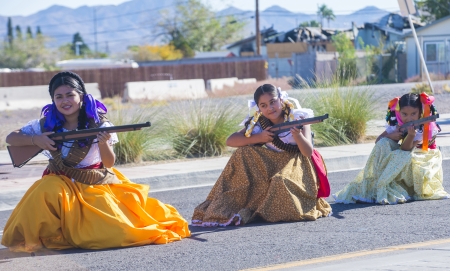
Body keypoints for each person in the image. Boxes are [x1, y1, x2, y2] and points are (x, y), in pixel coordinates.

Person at [1, 71, 190, 252]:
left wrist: (104, 143)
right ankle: (42, 237)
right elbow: (11, 138)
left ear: (81, 97)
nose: (65, 101)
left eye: (70, 95)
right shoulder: (44, 124)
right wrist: (36, 140)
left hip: (92, 183)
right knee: (46, 188)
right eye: (59, 97)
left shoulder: (100, 124)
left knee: (119, 233)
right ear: (53, 100)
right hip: (59, 183)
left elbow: (109, 164)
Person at [191, 84, 332, 227]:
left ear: (281, 100)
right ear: (259, 108)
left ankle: (274, 209)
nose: (270, 108)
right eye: (263, 105)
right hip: (274, 162)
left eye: (273, 102)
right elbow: (231, 140)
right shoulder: (258, 123)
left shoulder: (298, 117)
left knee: (280, 181)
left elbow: (307, 152)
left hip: (298, 163)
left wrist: (298, 136)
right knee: (242, 152)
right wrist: (259, 138)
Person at [333, 92, 449, 205]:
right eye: (405, 114)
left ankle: (394, 185)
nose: (409, 118)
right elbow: (378, 141)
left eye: (413, 113)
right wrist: (391, 136)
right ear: (399, 112)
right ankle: (380, 181)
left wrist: (411, 135)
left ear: (420, 112)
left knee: (400, 156)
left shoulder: (426, 127)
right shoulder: (397, 123)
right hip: (408, 155)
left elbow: (405, 149)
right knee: (384, 143)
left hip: (424, 157)